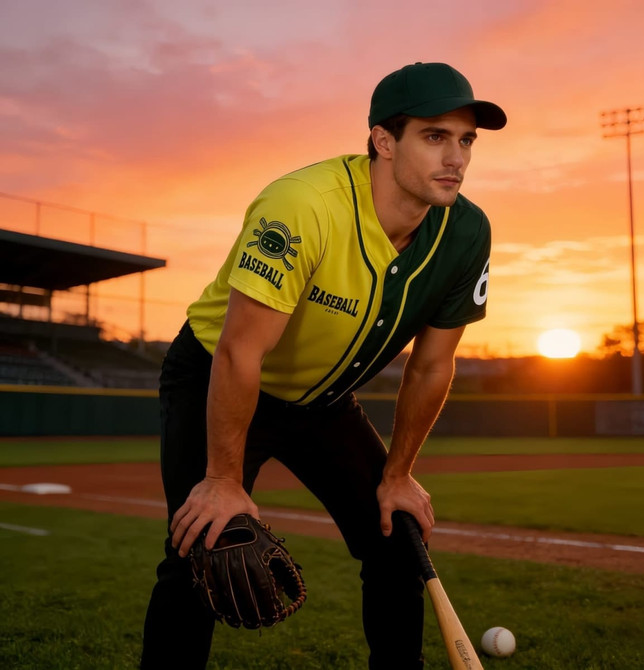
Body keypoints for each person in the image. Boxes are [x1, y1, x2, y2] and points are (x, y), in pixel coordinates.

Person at [141, 61, 506, 669]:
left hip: (325, 402)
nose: (457, 157)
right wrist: (224, 481)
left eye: (466, 139)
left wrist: (398, 473)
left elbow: (431, 366)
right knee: (203, 546)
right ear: (383, 141)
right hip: (219, 375)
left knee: (395, 539)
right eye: (435, 136)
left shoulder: (467, 233)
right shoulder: (302, 206)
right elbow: (240, 350)